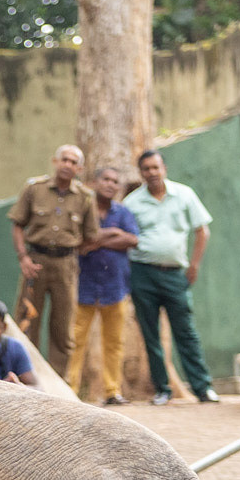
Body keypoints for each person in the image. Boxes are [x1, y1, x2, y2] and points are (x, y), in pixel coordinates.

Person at [127, 149, 218, 405]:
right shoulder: (132, 203)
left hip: (176, 273)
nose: (152, 173)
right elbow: (125, 238)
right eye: (146, 169)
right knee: (150, 333)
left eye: (155, 167)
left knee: (185, 331)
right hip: (142, 272)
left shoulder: (184, 194)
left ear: (164, 168)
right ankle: (162, 389)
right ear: (141, 173)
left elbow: (202, 231)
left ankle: (203, 387)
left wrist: (194, 265)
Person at [8, 145, 97, 378]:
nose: (68, 165)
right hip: (35, 262)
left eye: (73, 162)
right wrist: (23, 257)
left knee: (63, 327)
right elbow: (18, 224)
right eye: (64, 159)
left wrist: (70, 253)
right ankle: (25, 376)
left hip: (65, 265)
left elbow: (91, 236)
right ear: (55, 161)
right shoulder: (34, 188)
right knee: (27, 321)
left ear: (79, 168)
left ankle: (59, 380)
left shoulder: (85, 197)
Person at [69, 165, 140, 406]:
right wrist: (113, 234)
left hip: (115, 288)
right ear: (95, 183)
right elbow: (79, 243)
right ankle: (70, 390)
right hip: (85, 287)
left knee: (114, 343)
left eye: (115, 181)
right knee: (76, 341)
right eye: (106, 179)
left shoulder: (123, 212)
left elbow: (132, 239)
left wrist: (98, 240)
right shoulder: (83, 210)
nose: (110, 184)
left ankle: (112, 391)